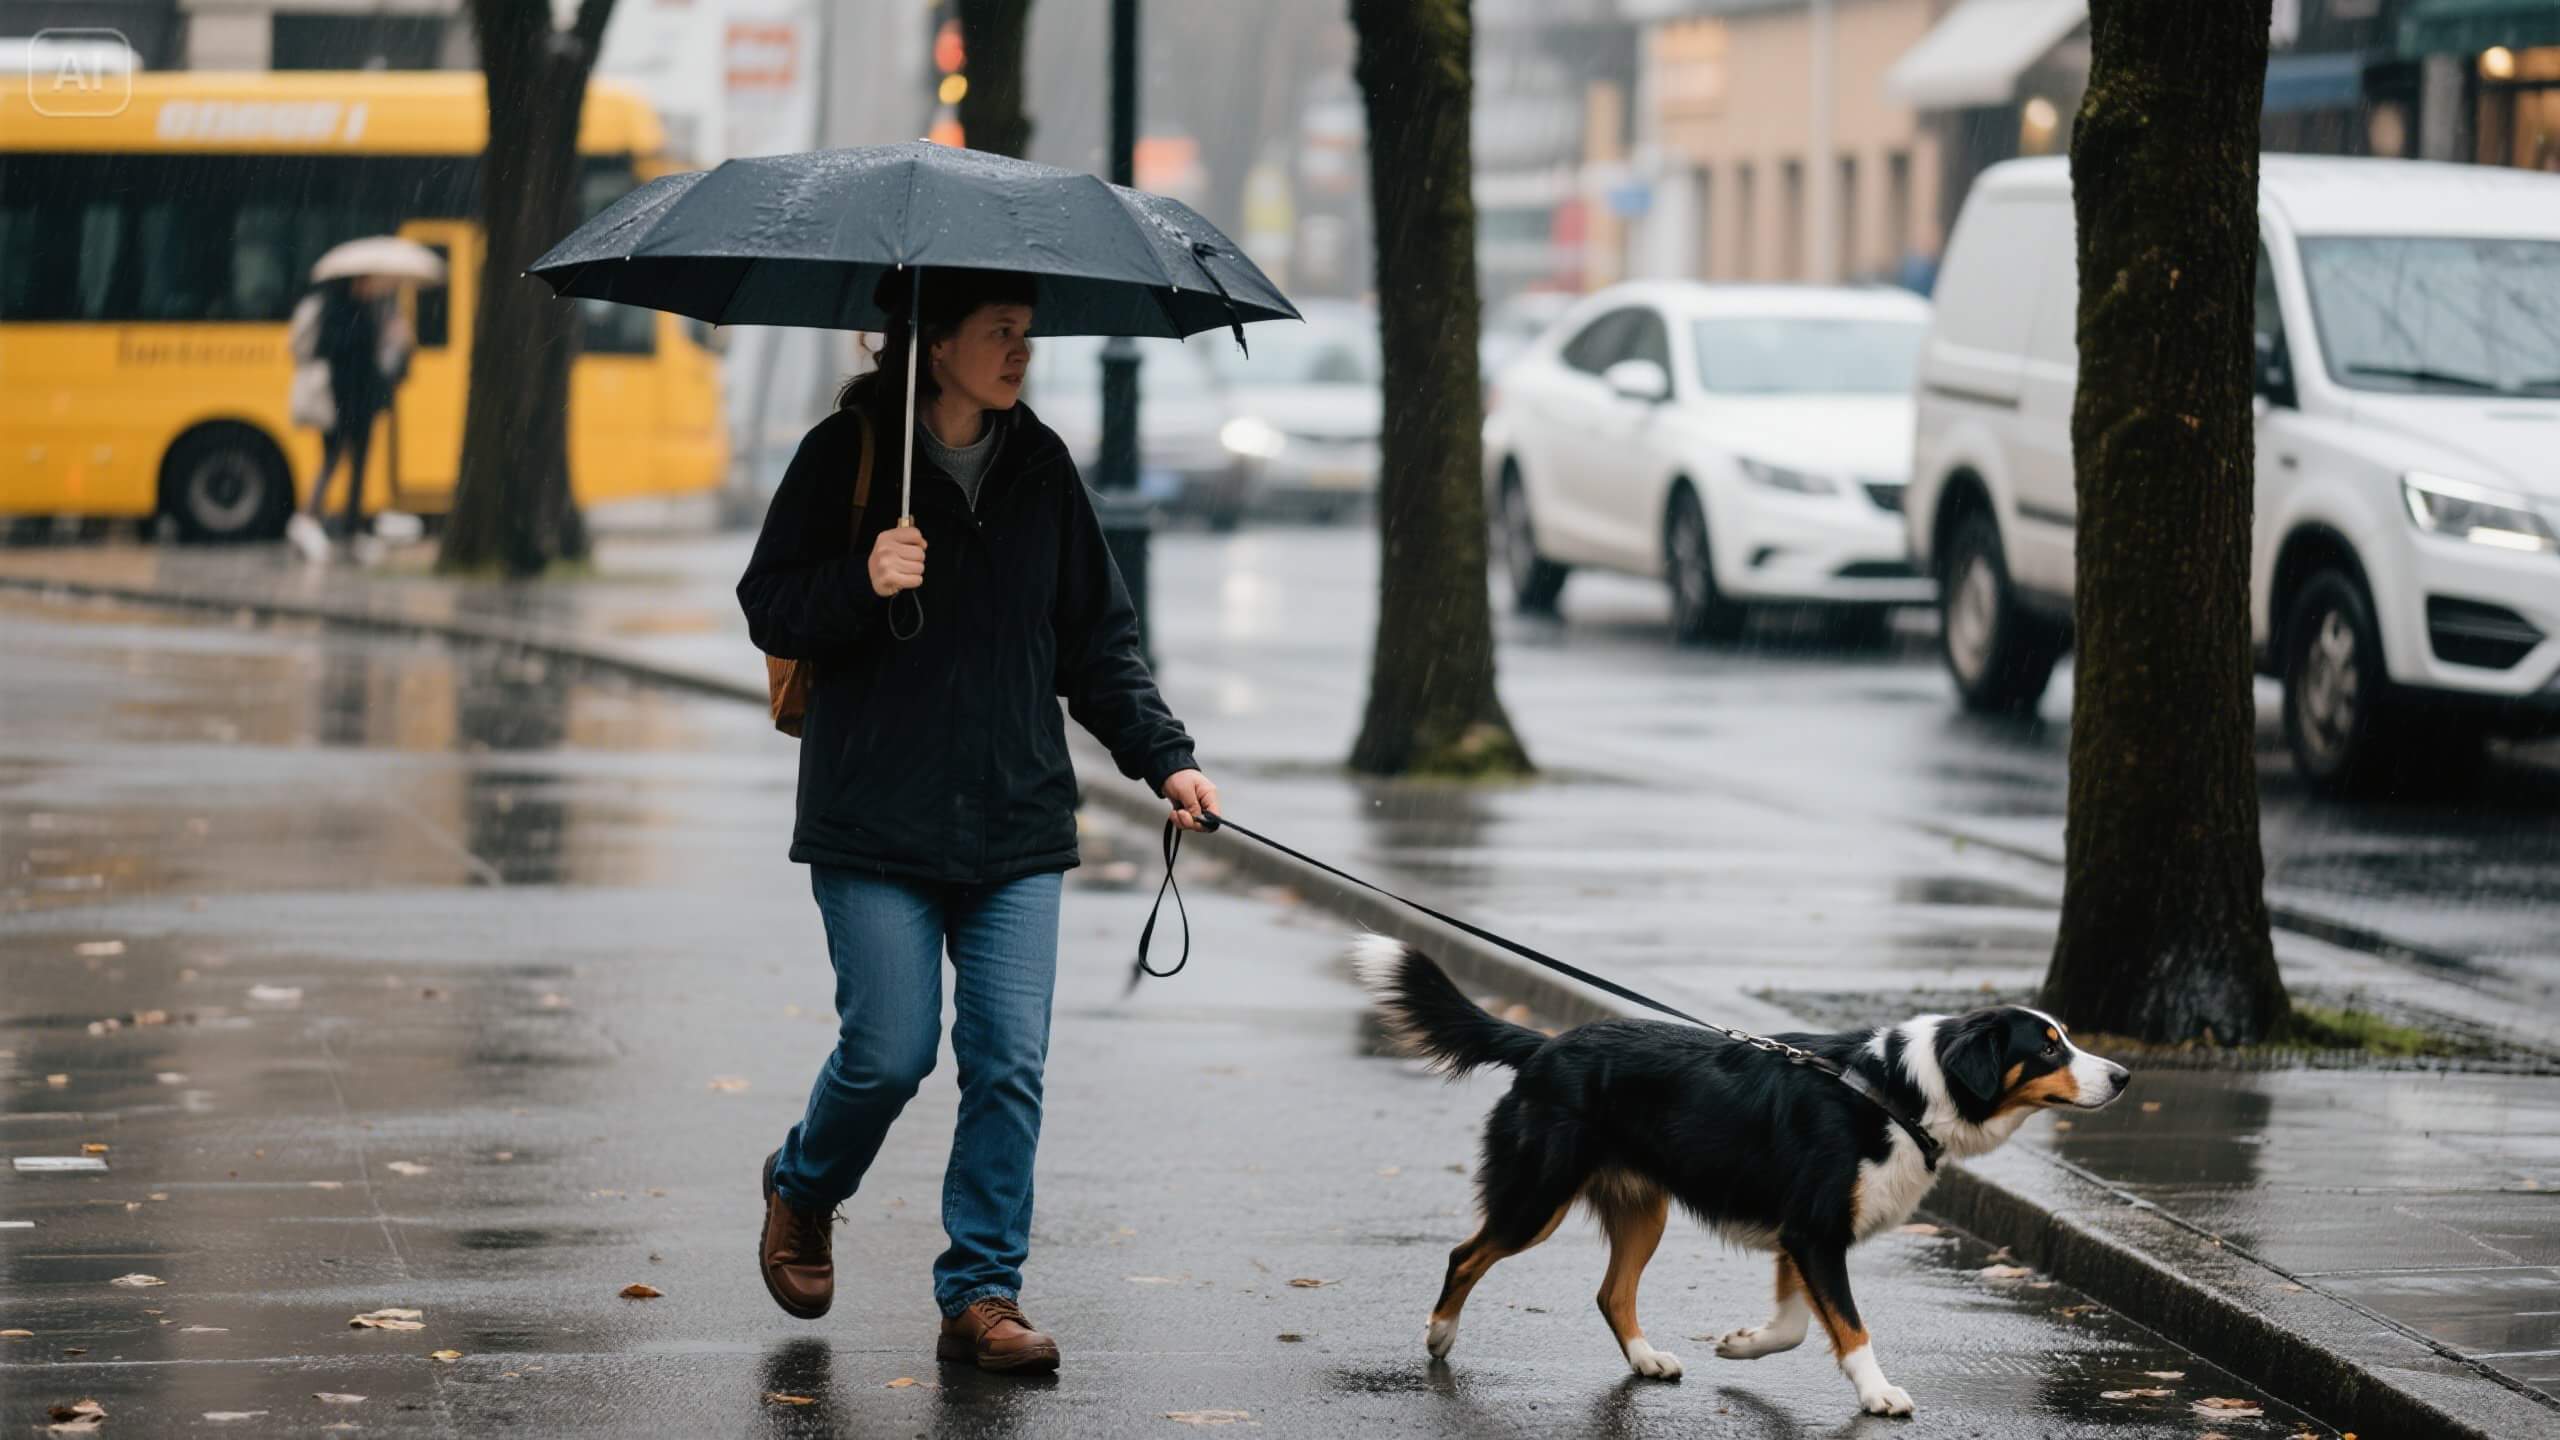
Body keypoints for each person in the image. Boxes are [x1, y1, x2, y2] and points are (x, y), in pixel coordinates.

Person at [737, 268, 1218, 1374]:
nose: (1020, 351)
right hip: (873, 817)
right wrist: (861, 576)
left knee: (1008, 1062)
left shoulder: (1041, 470)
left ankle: (982, 1295)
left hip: (1015, 819)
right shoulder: (846, 454)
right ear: (933, 342)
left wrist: (1167, 760)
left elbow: (1097, 643)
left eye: (1026, 333)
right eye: (999, 332)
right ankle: (803, 1184)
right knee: (890, 1052)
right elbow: (769, 600)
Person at [287, 276, 403, 561]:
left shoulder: (370, 310)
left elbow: (388, 363)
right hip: (341, 402)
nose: (370, 287)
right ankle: (311, 519)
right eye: (365, 283)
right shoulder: (340, 310)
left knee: (356, 466)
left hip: (360, 402)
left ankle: (349, 526)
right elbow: (338, 352)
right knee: (333, 461)